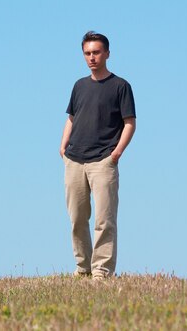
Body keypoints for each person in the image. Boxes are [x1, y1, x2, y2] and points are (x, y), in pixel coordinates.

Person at [59, 31, 136, 280]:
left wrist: (117, 153)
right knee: (77, 218)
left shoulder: (120, 86)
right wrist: (63, 145)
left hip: (103, 160)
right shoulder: (79, 86)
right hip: (74, 159)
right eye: (87, 53)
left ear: (107, 54)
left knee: (104, 219)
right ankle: (83, 268)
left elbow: (130, 123)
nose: (91, 57)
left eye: (96, 52)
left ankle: (101, 270)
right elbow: (71, 117)